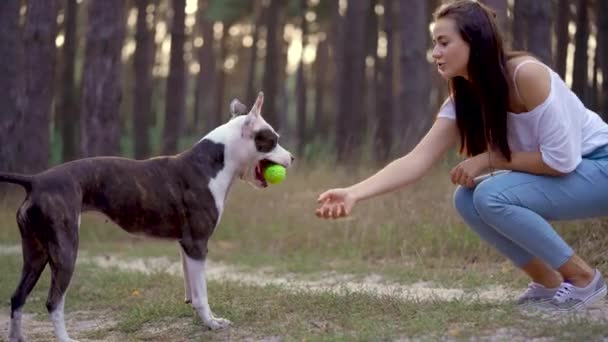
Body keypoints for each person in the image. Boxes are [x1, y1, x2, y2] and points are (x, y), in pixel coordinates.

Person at [315, 0, 608, 311]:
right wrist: (353, 193)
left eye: (444, 43)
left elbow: (560, 162)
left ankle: (582, 279)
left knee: (491, 195)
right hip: (578, 176)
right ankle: (547, 284)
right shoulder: (465, 98)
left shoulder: (527, 75)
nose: (435, 53)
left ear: (475, 41)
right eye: (434, 44)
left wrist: (489, 159)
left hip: (600, 166)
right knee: (466, 198)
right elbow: (415, 161)